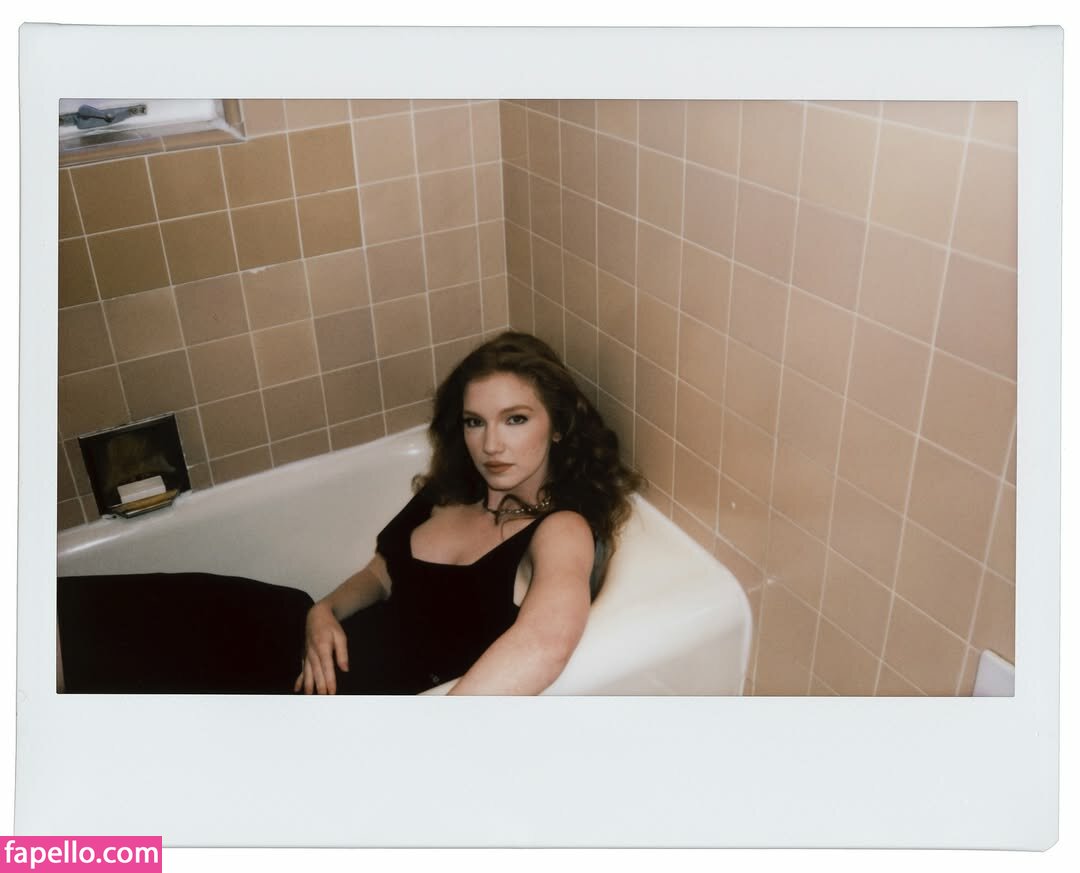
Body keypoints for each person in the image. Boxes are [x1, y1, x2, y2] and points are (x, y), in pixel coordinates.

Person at [294, 330, 642, 695]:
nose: (491, 445)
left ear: (557, 426)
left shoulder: (561, 529)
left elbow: (546, 643)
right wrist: (324, 611)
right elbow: (380, 576)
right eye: (475, 422)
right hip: (315, 655)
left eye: (515, 419)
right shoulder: (448, 491)